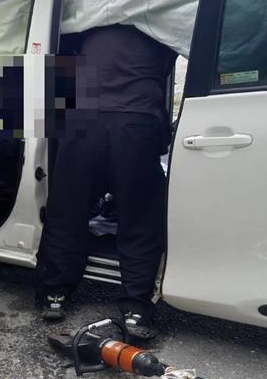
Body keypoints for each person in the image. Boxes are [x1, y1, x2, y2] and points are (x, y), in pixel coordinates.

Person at [35, 24, 176, 340]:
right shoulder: (158, 19)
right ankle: (136, 309)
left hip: (82, 119)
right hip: (136, 120)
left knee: (68, 209)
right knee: (138, 216)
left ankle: (54, 294)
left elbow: (58, 49)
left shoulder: (89, 18)